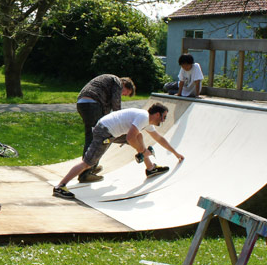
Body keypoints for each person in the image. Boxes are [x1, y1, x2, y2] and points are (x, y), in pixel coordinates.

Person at [52, 103, 184, 199]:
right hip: (104, 131)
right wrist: (142, 151)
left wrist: (175, 153)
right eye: (164, 117)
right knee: (88, 163)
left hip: (111, 130)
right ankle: (60, 186)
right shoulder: (143, 118)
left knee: (140, 135)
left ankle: (150, 168)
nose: (164, 120)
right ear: (157, 114)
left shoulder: (147, 121)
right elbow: (129, 137)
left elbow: (159, 138)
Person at [75, 75, 136, 183]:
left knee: (94, 136)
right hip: (92, 105)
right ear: (125, 85)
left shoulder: (108, 83)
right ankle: (86, 172)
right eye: (125, 93)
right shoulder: (117, 82)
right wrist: (121, 119)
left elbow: (106, 111)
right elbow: (116, 104)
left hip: (83, 104)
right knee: (97, 139)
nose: (123, 94)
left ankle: (91, 166)